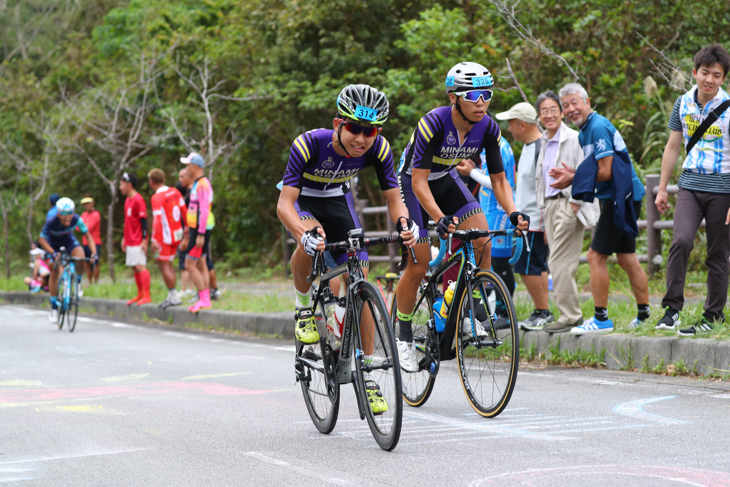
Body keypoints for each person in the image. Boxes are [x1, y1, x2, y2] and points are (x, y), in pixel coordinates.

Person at [276, 84, 416, 415]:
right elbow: (285, 205)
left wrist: (405, 225)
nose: (361, 138)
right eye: (354, 128)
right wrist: (302, 233)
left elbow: (394, 199)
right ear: (338, 123)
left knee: (361, 278)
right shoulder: (309, 143)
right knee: (312, 238)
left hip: (338, 201)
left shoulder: (379, 149)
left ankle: (366, 372)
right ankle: (303, 308)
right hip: (304, 200)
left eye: (370, 131)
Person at [394, 62, 529, 373]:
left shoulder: (488, 127)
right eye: (473, 95)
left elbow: (498, 181)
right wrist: (440, 218)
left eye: (487, 94)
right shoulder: (433, 123)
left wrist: (514, 212)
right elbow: (417, 182)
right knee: (419, 260)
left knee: (482, 241)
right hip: (413, 184)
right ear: (453, 97)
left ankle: (466, 311)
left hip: (445, 179)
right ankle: (402, 335)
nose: (481, 102)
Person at [551, 83, 649, 334]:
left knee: (595, 257)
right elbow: (599, 167)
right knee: (627, 259)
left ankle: (601, 319)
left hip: (620, 196)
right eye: (566, 106)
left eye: (575, 103)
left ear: (587, 101)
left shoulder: (596, 127)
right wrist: (575, 173)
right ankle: (644, 315)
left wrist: (574, 178)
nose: (571, 109)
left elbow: (605, 171)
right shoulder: (586, 130)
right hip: (624, 194)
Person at [655, 44, 730, 336]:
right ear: (694, 73)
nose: (709, 79)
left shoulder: (728, 107)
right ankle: (672, 309)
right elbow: (673, 146)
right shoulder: (682, 103)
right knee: (681, 242)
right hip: (690, 184)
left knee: (717, 253)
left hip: (723, 188)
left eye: (717, 75)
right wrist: (663, 188)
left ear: (723, 78)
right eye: (704, 73)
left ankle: (712, 316)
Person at [534, 90, 597, 333]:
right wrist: (543, 213)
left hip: (569, 203)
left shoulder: (573, 137)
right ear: (539, 116)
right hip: (550, 205)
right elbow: (541, 180)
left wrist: (576, 203)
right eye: (544, 111)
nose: (549, 115)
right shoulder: (542, 140)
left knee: (559, 262)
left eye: (553, 110)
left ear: (562, 113)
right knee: (558, 261)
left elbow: (586, 169)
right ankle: (568, 314)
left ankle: (571, 316)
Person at [495, 102, 554, 331]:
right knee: (534, 265)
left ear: (521, 124)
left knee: (527, 267)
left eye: (511, 123)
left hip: (535, 221)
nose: (509, 128)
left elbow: (548, 186)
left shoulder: (542, 147)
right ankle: (542, 310)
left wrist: (547, 222)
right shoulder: (529, 147)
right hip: (526, 218)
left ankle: (542, 311)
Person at [456, 131, 517, 329]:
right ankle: (495, 309)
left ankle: (504, 313)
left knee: (499, 263)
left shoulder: (495, 145)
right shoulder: (494, 143)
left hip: (497, 210)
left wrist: (471, 173)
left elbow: (497, 181)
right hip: (492, 208)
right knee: (494, 262)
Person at [38, 197, 97, 323]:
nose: (68, 217)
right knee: (54, 269)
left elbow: (88, 235)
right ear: (58, 214)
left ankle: (78, 282)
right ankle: (54, 308)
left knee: (80, 256)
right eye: (64, 214)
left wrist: (94, 253)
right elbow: (41, 240)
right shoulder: (51, 221)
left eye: (70, 212)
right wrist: (53, 253)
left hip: (69, 240)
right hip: (53, 245)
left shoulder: (76, 219)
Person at [180, 153, 215, 313]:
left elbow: (205, 211)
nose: (187, 168)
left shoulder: (202, 184)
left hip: (199, 231)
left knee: (189, 264)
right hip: (195, 230)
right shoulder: (197, 184)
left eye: (188, 165)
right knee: (200, 263)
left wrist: (200, 234)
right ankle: (204, 298)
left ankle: (205, 299)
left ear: (195, 166)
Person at [148, 168, 187, 309]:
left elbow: (157, 219)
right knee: (169, 264)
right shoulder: (175, 192)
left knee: (164, 266)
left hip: (164, 237)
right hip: (177, 233)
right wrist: (187, 229)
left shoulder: (156, 198)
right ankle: (172, 296)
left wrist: (153, 240)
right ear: (163, 179)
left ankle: (174, 295)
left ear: (151, 182)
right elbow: (184, 210)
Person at [120, 172, 151, 306]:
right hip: (129, 239)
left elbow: (144, 222)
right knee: (134, 266)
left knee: (140, 266)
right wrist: (124, 238)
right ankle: (140, 293)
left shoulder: (138, 199)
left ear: (129, 184)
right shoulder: (127, 200)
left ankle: (147, 294)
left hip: (138, 239)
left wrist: (144, 240)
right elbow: (128, 222)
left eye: (122, 184)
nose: (120, 187)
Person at [175, 174, 193, 298]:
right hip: (188, 235)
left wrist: (185, 239)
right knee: (190, 263)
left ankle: (184, 289)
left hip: (185, 236)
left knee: (184, 264)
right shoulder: (187, 201)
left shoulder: (182, 205)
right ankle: (190, 288)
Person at [80, 195, 102, 285]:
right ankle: (89, 283)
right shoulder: (83, 214)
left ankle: (96, 283)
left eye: (88, 203)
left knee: (95, 263)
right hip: (85, 243)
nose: (86, 205)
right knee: (87, 263)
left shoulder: (96, 214)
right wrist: (84, 226)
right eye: (84, 203)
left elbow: (88, 228)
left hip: (95, 242)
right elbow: (79, 228)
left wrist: (84, 225)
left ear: (92, 203)